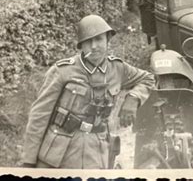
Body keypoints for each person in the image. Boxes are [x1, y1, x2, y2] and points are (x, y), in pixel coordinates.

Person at [22, 15, 155, 169]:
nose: (94, 46)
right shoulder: (63, 71)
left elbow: (149, 79)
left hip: (96, 154)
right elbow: (39, 116)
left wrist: (133, 98)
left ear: (107, 40)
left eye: (98, 39)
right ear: (81, 45)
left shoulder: (118, 68)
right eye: (88, 41)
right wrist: (29, 161)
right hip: (59, 154)